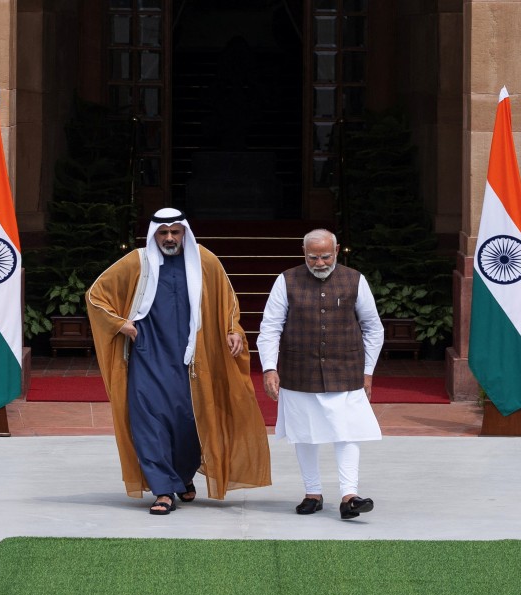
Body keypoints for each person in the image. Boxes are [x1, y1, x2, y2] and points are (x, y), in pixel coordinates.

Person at [86, 208, 271, 515]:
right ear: (154, 234)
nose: (169, 238)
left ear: (184, 232)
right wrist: (120, 324)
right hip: (148, 355)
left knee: (189, 422)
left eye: (175, 232)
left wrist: (233, 330)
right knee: (149, 421)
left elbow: (228, 303)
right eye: (163, 233)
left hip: (194, 359)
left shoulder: (205, 261)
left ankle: (183, 476)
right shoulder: (137, 261)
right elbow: (96, 295)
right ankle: (162, 490)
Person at [257, 229, 383, 520]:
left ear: (337, 250)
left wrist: (368, 372)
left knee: (348, 432)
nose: (320, 262)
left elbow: (373, 328)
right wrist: (269, 368)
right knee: (304, 434)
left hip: (347, 370)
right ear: (304, 254)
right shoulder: (286, 280)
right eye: (313, 257)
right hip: (298, 370)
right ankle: (312, 493)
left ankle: (349, 496)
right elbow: (270, 328)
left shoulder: (355, 280)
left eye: (326, 256)